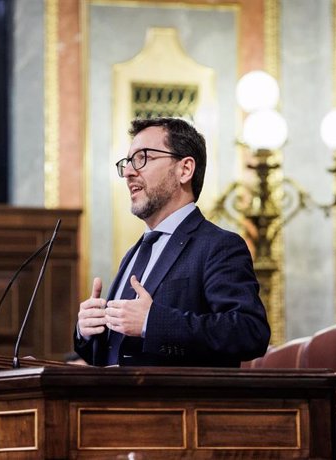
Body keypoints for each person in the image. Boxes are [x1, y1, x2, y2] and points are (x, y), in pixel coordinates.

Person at [75, 117, 271, 367]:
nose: (128, 172)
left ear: (185, 169)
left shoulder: (218, 246)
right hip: (112, 403)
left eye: (143, 157)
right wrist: (87, 331)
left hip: (177, 404)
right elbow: (119, 353)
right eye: (127, 162)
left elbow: (249, 332)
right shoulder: (133, 254)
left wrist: (152, 322)